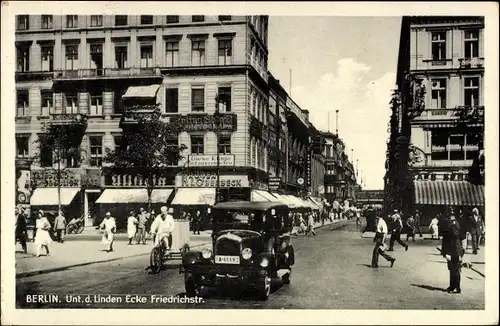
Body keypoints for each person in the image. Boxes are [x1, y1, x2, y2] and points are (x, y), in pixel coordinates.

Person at [441, 213, 463, 294]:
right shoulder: (456, 226)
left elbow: (447, 242)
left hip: (454, 252)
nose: (451, 219)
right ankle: (453, 286)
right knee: (453, 269)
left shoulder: (451, 227)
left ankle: (456, 287)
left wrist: (446, 253)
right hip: (455, 251)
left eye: (452, 218)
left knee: (455, 270)